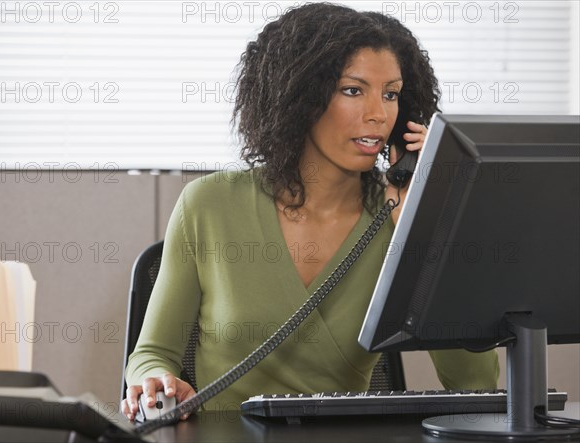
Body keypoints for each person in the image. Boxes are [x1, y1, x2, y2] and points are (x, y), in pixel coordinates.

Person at [122, 3, 499, 420]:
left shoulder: (399, 215)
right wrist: (155, 379)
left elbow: (475, 384)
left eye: (391, 94)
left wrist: (425, 224)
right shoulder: (209, 205)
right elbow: (152, 353)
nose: (379, 114)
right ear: (301, 96)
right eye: (353, 90)